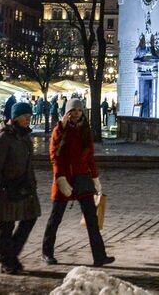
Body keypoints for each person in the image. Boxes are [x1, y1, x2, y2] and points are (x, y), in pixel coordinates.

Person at [41, 99, 113, 267]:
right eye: (73, 110)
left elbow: (90, 157)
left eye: (79, 110)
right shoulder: (59, 130)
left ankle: (99, 256)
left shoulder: (85, 130)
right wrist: (60, 178)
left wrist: (95, 178)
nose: (76, 113)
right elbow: (55, 156)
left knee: (92, 219)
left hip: (82, 179)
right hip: (65, 179)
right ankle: (47, 252)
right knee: (56, 217)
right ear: (67, 112)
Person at [0, 102, 41, 275]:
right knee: (7, 224)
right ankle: (6, 261)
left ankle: (11, 255)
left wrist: (32, 183)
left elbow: (28, 163)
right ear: (15, 117)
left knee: (30, 218)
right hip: (8, 186)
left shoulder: (25, 136)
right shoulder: (3, 137)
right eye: (25, 116)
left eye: (30, 117)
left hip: (25, 186)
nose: (28, 119)